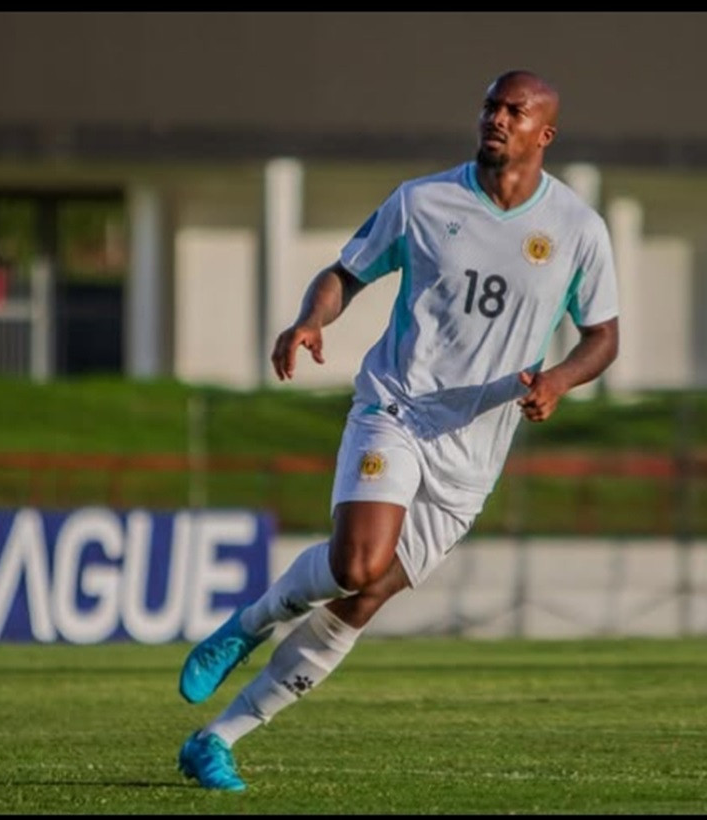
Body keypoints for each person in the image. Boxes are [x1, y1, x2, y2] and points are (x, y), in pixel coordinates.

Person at [175, 68, 620, 792]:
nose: (496, 119)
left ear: (546, 133)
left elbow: (602, 336)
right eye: (489, 107)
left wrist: (559, 380)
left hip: (474, 447)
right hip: (398, 408)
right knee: (356, 562)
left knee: (364, 596)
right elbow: (345, 272)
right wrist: (310, 321)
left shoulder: (576, 229)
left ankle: (216, 740)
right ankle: (245, 626)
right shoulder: (422, 200)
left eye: (515, 111)